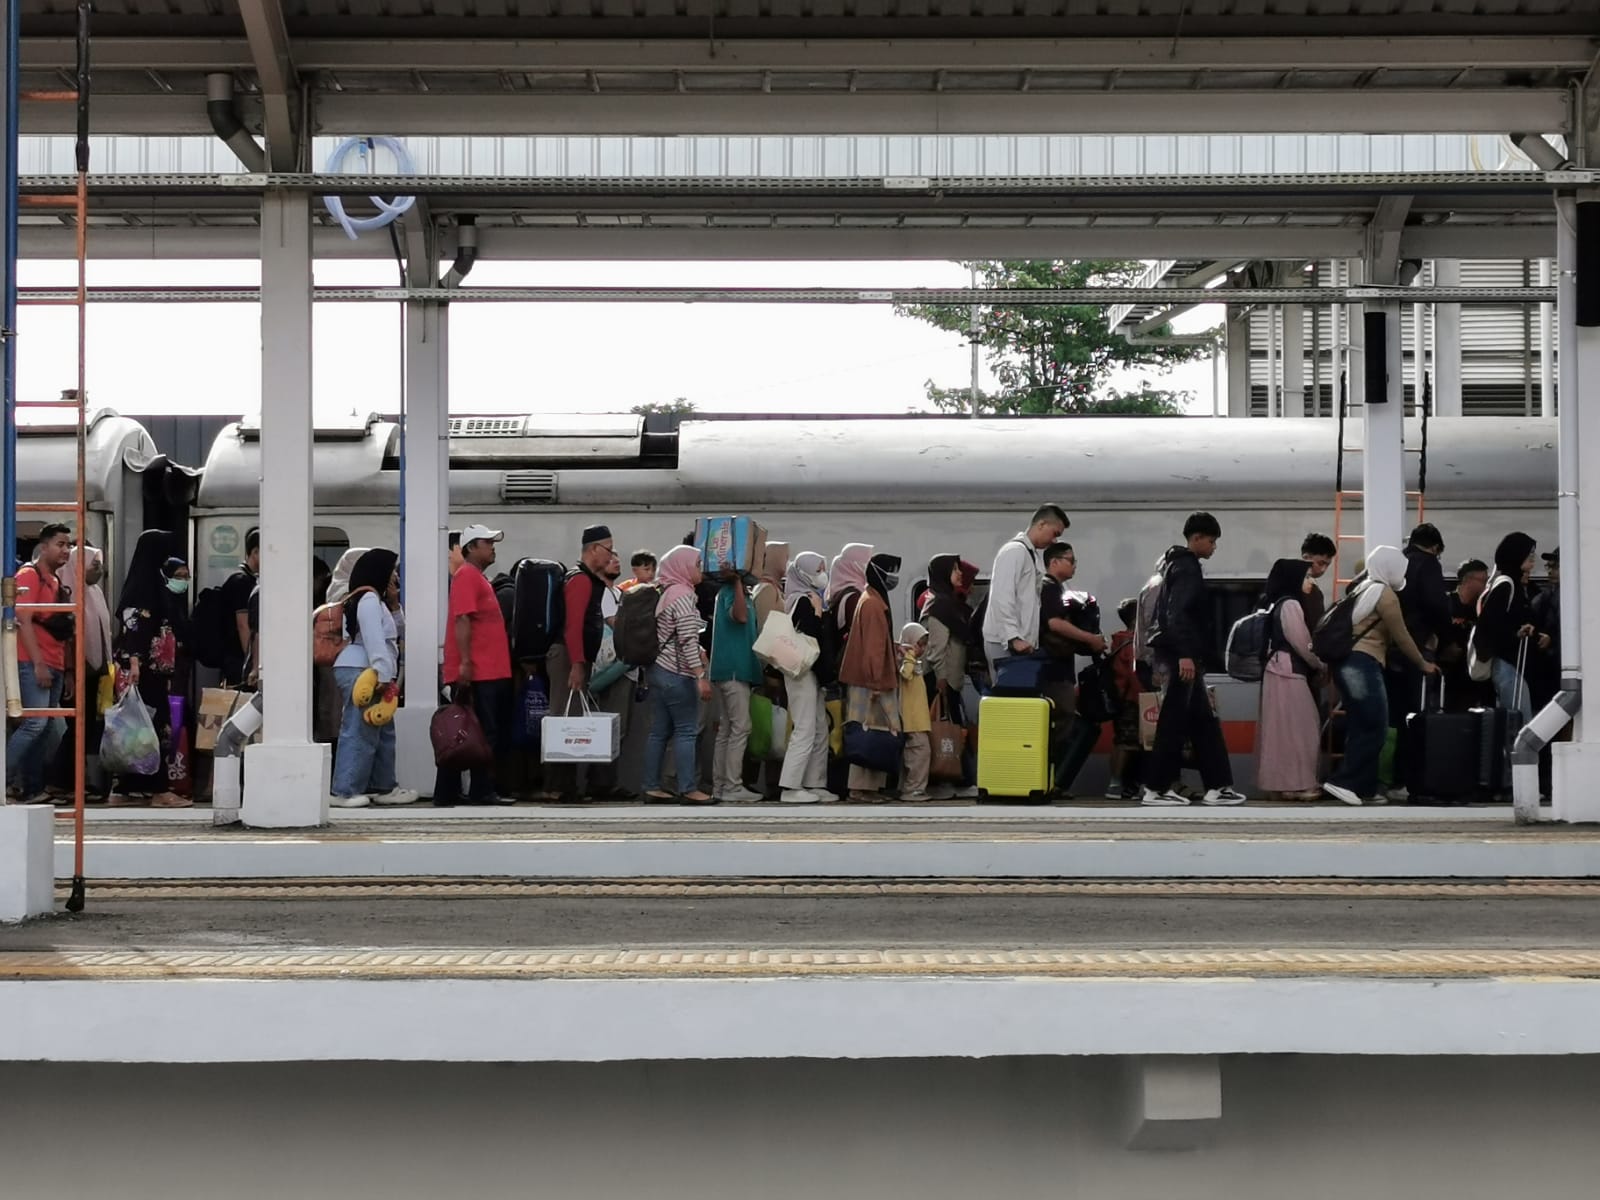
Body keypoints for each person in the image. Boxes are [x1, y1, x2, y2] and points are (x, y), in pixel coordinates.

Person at [1141, 512, 1247, 808]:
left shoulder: (1173, 565)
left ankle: (1217, 785)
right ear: (1197, 538)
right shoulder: (1187, 567)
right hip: (1181, 657)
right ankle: (1157, 788)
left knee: (1204, 721)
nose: (1214, 547)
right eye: (1211, 541)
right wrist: (1185, 654)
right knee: (1173, 721)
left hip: (1181, 655)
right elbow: (1178, 614)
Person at [1322, 546, 1436, 807]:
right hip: (1362, 663)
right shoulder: (1385, 595)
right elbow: (1402, 636)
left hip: (1347, 664)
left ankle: (1365, 788)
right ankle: (1344, 782)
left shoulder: (1363, 588)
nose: (1403, 574)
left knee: (1362, 724)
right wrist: (1423, 664)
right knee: (1375, 725)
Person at [109, 532, 193, 808]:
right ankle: (159, 790)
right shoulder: (144, 588)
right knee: (153, 728)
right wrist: (135, 662)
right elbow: (135, 627)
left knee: (135, 729)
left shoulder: (147, 582)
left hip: (148, 669)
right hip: (144, 670)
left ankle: (125, 788)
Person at [329, 549, 416, 808]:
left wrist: (394, 604)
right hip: (364, 670)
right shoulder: (368, 599)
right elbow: (374, 639)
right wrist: (383, 673)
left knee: (382, 730)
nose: (395, 577)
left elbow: (398, 631)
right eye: (391, 571)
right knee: (359, 730)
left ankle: (383, 785)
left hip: (369, 669)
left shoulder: (376, 601)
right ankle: (344, 791)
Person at [435, 524, 514, 807]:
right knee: (482, 732)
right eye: (487, 542)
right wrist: (466, 663)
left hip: (486, 669)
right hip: (481, 670)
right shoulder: (468, 575)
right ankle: (481, 789)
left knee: (468, 731)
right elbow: (462, 619)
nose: (492, 547)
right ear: (470, 547)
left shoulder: (475, 577)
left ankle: (449, 791)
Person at [543, 524, 621, 803]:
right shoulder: (580, 580)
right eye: (609, 549)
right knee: (566, 720)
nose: (612, 555)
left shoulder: (587, 580)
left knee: (571, 718)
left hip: (575, 656)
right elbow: (573, 626)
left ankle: (565, 785)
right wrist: (577, 663)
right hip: (568, 656)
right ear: (593, 549)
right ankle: (558, 787)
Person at [641, 545, 714, 804]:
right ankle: (688, 789)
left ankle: (651, 786)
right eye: (697, 564)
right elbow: (687, 640)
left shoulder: (666, 592)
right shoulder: (683, 595)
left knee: (658, 732)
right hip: (676, 672)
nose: (701, 569)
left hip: (657, 669)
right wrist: (700, 675)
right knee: (686, 731)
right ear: (683, 566)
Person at [7, 523, 73, 804]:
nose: (66, 550)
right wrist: (37, 663)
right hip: (33, 661)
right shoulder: (29, 575)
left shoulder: (55, 581)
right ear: (43, 547)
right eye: (60, 544)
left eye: (68, 545)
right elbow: (22, 620)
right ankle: (6, 779)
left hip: (53, 661)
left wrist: (67, 671)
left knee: (43, 728)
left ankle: (32, 788)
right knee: (35, 724)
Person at [1255, 559, 1327, 800]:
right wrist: (1321, 664)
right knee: (1302, 729)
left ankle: (1284, 784)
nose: (1310, 581)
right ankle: (1300, 784)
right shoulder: (1291, 604)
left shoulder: (1275, 602)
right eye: (1306, 577)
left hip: (1277, 670)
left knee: (1281, 731)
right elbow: (1303, 643)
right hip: (1288, 671)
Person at [836, 549, 901, 803]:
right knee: (870, 733)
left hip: (867, 679)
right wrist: (875, 682)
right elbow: (873, 648)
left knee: (872, 732)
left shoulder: (869, 598)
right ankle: (860, 789)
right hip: (872, 681)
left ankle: (869, 788)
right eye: (891, 572)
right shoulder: (874, 604)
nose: (894, 577)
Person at [920, 553, 979, 800]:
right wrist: (942, 680)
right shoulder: (938, 607)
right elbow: (936, 650)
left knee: (953, 730)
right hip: (941, 682)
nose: (959, 574)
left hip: (950, 680)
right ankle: (942, 779)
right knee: (943, 730)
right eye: (955, 570)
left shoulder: (948, 604)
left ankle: (955, 779)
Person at [981, 504, 1068, 673]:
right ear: (1041, 524)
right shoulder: (1014, 552)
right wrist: (1013, 638)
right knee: (1009, 689)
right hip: (1005, 643)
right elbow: (1002, 597)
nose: (1054, 541)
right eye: (1055, 533)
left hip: (1018, 643)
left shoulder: (1029, 554)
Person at [1475, 532, 1545, 736]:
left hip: (1512, 664)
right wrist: (1516, 634)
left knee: (1516, 721)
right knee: (1519, 724)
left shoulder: (1510, 583)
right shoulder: (1507, 585)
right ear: (1516, 554)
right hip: (1508, 664)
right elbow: (1491, 625)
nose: (1533, 558)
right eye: (1528, 554)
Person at [777, 550, 832, 804]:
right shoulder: (801, 600)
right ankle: (790, 785)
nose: (822, 574)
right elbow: (810, 635)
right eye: (817, 570)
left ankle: (814, 782)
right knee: (805, 727)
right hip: (802, 672)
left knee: (819, 727)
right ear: (803, 573)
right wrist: (818, 613)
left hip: (810, 671)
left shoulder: (805, 597)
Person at [709, 558, 764, 804]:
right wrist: (737, 582)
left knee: (727, 729)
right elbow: (739, 616)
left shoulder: (730, 592)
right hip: (734, 669)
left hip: (727, 669)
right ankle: (732, 785)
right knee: (741, 727)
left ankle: (720, 785)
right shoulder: (731, 591)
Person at [1105, 599, 1144, 800]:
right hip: (1134, 701)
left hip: (1122, 700)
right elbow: (1134, 677)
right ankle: (1117, 785)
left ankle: (1119, 784)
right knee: (1130, 743)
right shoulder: (1133, 644)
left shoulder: (1120, 642)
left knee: (1122, 741)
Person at [1440, 558, 1490, 707]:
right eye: (1483, 580)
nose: (1486, 585)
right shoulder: (1446, 603)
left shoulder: (1482, 608)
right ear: (1468, 580)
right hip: (1447, 673)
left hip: (1472, 673)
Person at [219, 526, 259, 687]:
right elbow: (243, 625)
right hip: (237, 660)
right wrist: (251, 663)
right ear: (255, 552)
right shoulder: (242, 582)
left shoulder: (251, 581)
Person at [897, 621, 933, 802]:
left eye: (924, 645)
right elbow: (905, 674)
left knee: (915, 754)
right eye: (919, 644)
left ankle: (910, 787)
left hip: (917, 719)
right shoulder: (906, 660)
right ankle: (913, 789)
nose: (922, 649)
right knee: (920, 753)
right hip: (913, 719)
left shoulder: (912, 662)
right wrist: (909, 654)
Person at [1300, 532, 1336, 629]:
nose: (1323, 569)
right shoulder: (1309, 589)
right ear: (1306, 557)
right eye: (1320, 563)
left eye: (1327, 565)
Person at [751, 542, 790, 631]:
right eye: (786, 557)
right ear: (775, 559)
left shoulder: (772, 587)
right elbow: (764, 630)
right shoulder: (767, 589)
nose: (788, 562)